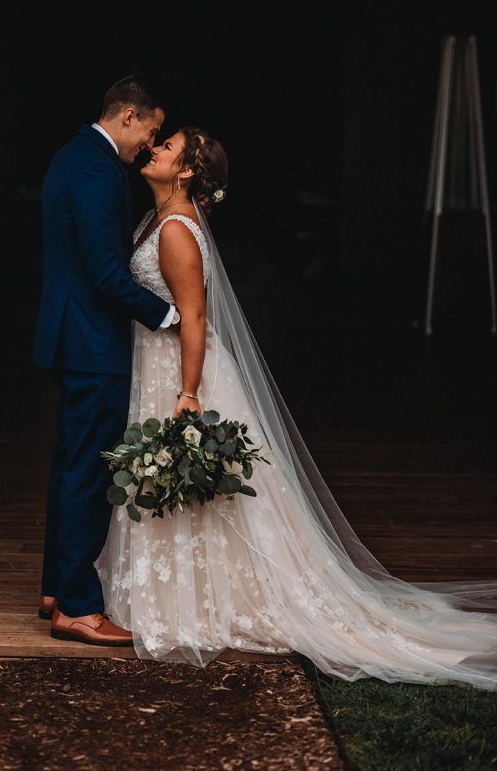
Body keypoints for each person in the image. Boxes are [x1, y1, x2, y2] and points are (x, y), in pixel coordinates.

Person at [94, 126, 497, 690]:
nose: (155, 147)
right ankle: (181, 593)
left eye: (168, 146)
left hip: (181, 372)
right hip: (157, 364)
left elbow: (196, 317)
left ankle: (207, 602)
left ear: (185, 171)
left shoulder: (177, 230)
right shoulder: (159, 217)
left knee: (198, 486)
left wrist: (187, 394)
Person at [33, 75, 179, 646]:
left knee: (70, 464)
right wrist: (170, 318)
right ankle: (76, 607)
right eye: (152, 129)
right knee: (88, 473)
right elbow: (106, 275)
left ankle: (55, 587)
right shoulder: (95, 171)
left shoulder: (75, 156)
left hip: (74, 337)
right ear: (128, 117)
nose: (151, 142)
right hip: (92, 341)